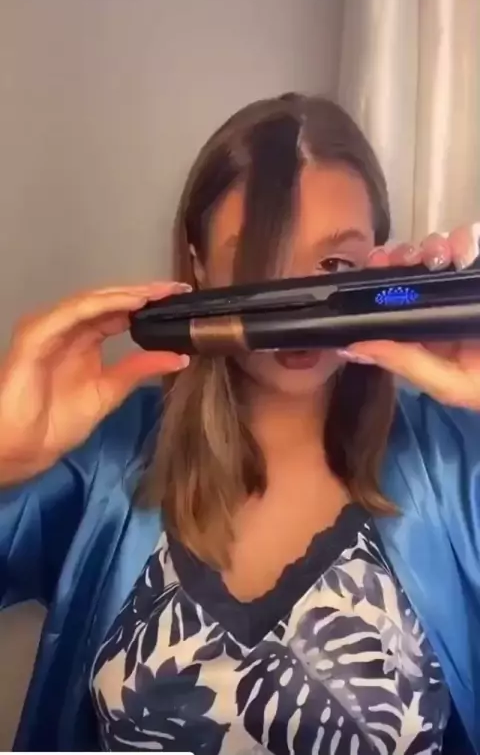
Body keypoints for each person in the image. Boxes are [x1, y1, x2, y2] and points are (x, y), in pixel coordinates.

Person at [0, 94, 479, 755]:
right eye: (258, 262)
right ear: (198, 265)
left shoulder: (455, 463)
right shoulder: (104, 456)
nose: (300, 304)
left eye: (336, 266)